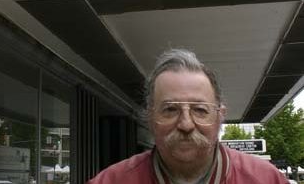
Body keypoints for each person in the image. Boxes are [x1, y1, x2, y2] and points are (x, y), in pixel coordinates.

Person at [88, 49, 287, 184]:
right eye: (170, 109)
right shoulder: (111, 181)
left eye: (200, 110)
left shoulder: (267, 179)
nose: (185, 124)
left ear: (219, 117)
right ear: (150, 117)